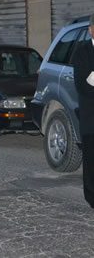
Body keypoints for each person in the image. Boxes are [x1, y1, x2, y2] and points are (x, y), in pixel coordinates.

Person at [73, 13, 94, 208]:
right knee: (91, 158)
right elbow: (81, 83)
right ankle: (91, 196)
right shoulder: (82, 50)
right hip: (91, 114)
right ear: (91, 30)